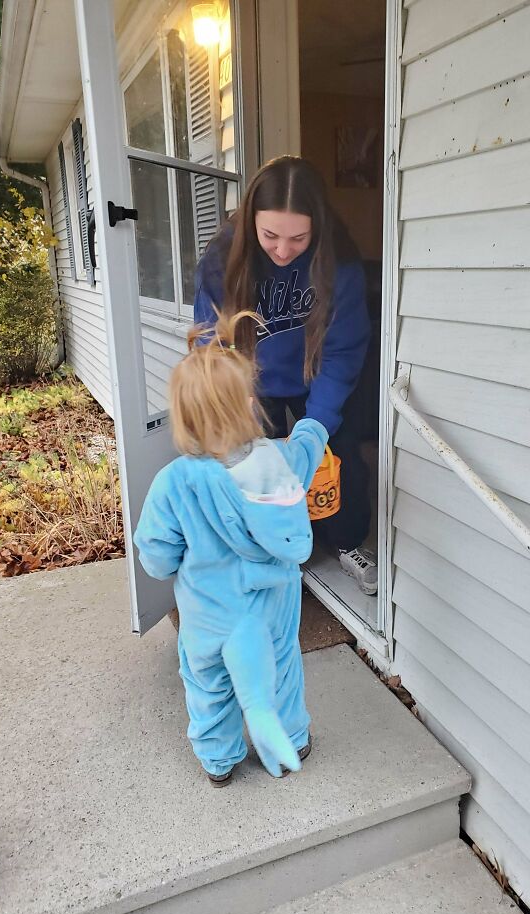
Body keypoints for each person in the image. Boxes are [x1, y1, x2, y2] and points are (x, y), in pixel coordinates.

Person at [134, 312, 328, 786]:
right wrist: (312, 429)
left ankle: (219, 759)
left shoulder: (173, 484)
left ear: (183, 419)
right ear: (247, 404)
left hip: (208, 611)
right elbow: (308, 446)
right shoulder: (277, 462)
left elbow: (156, 555)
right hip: (269, 605)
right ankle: (291, 742)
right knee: (279, 668)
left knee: (208, 681)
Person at [194, 156, 377, 595]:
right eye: (270, 235)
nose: (281, 250)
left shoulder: (341, 265)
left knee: (341, 460)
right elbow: (211, 341)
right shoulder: (221, 261)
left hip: (317, 374)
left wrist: (316, 425)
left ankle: (347, 541)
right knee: (256, 468)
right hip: (252, 382)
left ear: (318, 227)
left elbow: (344, 349)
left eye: (298, 238)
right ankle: (270, 551)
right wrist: (235, 397)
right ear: (250, 220)